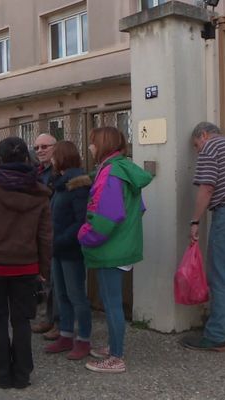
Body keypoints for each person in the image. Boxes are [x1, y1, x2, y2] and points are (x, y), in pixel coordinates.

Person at [0, 137, 52, 389]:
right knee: (22, 320)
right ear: (26, 158)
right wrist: (44, 269)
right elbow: (46, 236)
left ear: (0, 160)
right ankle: (22, 374)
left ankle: (1, 374)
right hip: (26, 266)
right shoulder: (39, 191)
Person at [78, 127, 152, 373]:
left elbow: (106, 216)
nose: (90, 147)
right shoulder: (123, 169)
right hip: (120, 245)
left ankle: (116, 357)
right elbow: (138, 208)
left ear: (102, 144)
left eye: (92, 142)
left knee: (112, 305)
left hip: (110, 248)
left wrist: (84, 235)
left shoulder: (111, 173)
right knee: (113, 303)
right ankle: (113, 346)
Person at [181, 122, 225, 351]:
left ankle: (215, 335)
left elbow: (207, 188)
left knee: (220, 276)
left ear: (203, 135)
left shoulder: (210, 148)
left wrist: (195, 220)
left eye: (196, 145)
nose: (197, 150)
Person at [43, 141, 93, 360]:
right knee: (61, 294)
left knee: (76, 296)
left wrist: (60, 240)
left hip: (70, 249)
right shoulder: (61, 183)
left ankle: (83, 339)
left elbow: (80, 220)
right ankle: (65, 334)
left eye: (54, 155)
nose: (50, 159)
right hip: (58, 249)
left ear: (62, 157)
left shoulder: (77, 185)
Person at [31, 133, 60, 340]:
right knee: (47, 280)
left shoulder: (58, 172)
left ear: (55, 148)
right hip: (40, 230)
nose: (40, 150)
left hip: (55, 230)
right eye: (37, 147)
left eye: (44, 147)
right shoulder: (37, 171)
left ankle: (58, 322)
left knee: (57, 282)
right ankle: (49, 318)